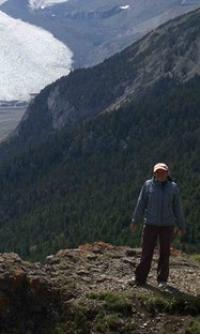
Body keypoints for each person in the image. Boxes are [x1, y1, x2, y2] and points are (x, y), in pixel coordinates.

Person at [130, 162, 186, 288]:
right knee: (146, 252)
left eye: (163, 172)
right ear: (154, 173)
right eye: (158, 172)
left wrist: (182, 226)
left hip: (167, 225)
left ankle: (162, 280)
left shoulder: (173, 187)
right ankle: (140, 278)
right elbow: (141, 204)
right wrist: (135, 221)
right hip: (150, 223)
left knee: (165, 253)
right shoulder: (147, 185)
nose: (160, 174)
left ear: (167, 173)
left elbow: (178, 208)